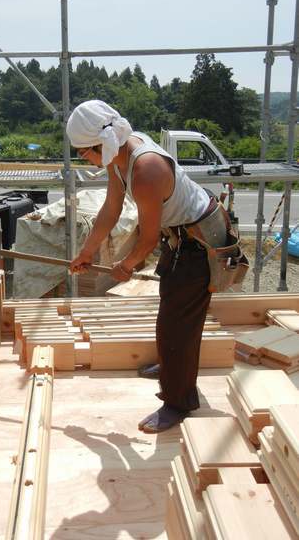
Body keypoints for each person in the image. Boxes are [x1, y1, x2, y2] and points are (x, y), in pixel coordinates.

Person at [67, 99, 225, 433]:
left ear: (101, 144)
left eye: (84, 153)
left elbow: (147, 239)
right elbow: (111, 209)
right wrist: (86, 251)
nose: (85, 159)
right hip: (180, 235)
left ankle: (177, 402)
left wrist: (125, 265)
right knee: (175, 311)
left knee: (175, 322)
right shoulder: (118, 155)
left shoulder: (146, 169)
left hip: (200, 240)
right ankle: (173, 366)